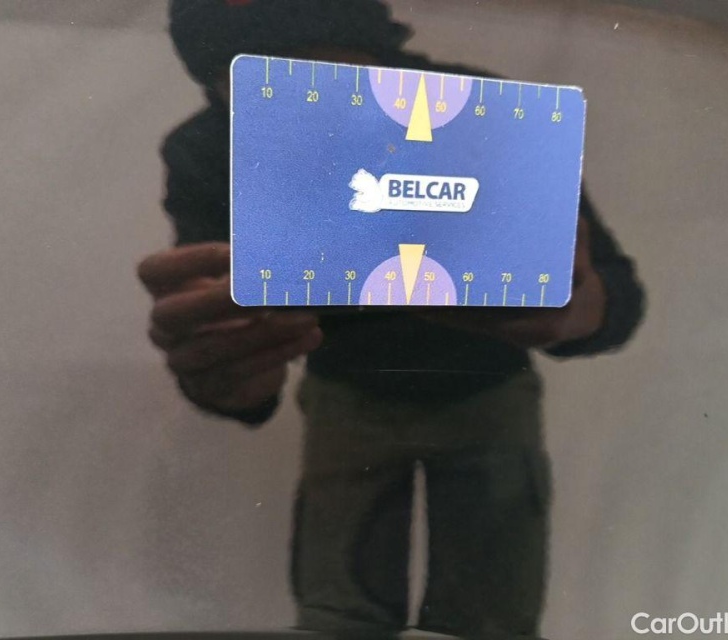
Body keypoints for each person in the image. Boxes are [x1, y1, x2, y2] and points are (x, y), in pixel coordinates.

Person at [138, 1, 645, 637]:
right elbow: (221, 325)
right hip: (397, 389)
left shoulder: (478, 107)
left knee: (444, 614)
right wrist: (230, 370)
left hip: (450, 389)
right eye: (269, 95)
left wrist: (579, 309)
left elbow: (612, 290)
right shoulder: (214, 143)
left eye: (333, 85)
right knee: (363, 614)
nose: (316, 123)